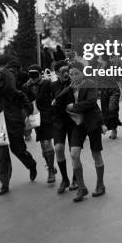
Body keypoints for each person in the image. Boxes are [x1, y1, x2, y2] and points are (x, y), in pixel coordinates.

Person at [53, 61, 105, 202]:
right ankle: (81, 188)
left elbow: (91, 102)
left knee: (96, 154)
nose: (73, 76)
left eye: (76, 73)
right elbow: (61, 97)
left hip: (92, 122)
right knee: (74, 154)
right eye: (71, 74)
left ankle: (100, 185)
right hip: (78, 124)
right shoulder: (70, 87)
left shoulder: (90, 83)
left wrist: (73, 106)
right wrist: (56, 99)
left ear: (83, 73)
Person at [23, 64, 57, 184]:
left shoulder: (47, 84)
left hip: (47, 117)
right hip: (34, 118)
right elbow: (25, 103)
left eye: (35, 74)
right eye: (30, 75)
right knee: (43, 145)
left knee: (47, 142)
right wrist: (26, 117)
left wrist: (54, 111)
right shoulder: (25, 87)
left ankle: (51, 171)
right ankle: (50, 165)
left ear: (40, 74)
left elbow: (55, 97)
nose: (33, 77)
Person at [51, 60, 76, 194]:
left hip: (73, 120)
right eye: (62, 71)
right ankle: (65, 179)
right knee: (59, 148)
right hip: (58, 120)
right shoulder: (52, 85)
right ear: (56, 73)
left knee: (74, 152)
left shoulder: (75, 83)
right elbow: (48, 103)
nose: (66, 73)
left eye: (67, 70)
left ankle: (75, 178)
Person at [96, 55, 122, 139]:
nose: (98, 59)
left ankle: (114, 129)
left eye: (100, 58)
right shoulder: (99, 67)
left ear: (104, 59)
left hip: (114, 90)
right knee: (105, 111)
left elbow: (119, 77)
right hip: (104, 91)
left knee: (112, 109)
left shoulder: (113, 66)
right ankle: (110, 127)